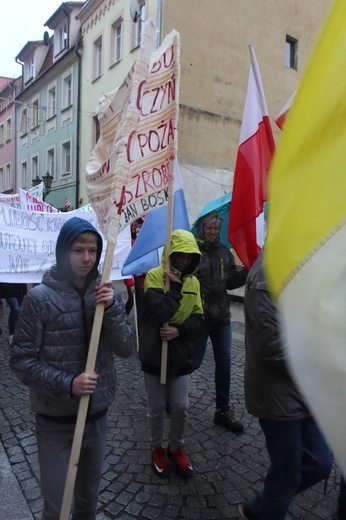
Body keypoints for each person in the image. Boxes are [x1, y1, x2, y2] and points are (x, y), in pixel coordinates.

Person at [10, 217, 136, 520]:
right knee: (56, 507)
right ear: (63, 252)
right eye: (78, 250)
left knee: (87, 504)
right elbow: (21, 362)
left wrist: (115, 309)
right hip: (54, 423)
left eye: (92, 250)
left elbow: (127, 348)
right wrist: (68, 384)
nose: (86, 258)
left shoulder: (105, 295)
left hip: (97, 418)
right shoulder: (39, 298)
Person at [239, 251, 333, 520]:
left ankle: (257, 507)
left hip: (302, 391)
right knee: (286, 476)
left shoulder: (297, 264)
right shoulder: (265, 274)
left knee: (320, 463)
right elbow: (272, 346)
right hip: (276, 393)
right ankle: (263, 508)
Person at [139, 229, 207, 478]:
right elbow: (160, 314)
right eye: (180, 256)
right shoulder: (154, 277)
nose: (185, 261)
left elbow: (199, 320)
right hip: (154, 354)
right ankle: (156, 447)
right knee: (156, 407)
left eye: (190, 257)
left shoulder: (195, 283)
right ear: (171, 255)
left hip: (179, 357)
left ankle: (176, 447)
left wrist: (179, 330)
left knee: (180, 406)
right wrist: (175, 289)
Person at [194, 211, 247, 433]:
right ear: (202, 229)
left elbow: (231, 281)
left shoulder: (224, 252)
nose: (213, 232)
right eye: (209, 228)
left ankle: (222, 410)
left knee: (224, 363)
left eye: (216, 229)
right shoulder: (193, 252)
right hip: (199, 316)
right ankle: (173, 398)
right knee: (191, 359)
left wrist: (248, 270)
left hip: (222, 317)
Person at [124, 217, 146, 331]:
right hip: (135, 280)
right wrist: (130, 284)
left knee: (142, 304)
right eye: (136, 230)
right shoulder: (130, 244)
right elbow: (127, 265)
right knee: (135, 302)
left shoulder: (146, 244)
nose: (138, 232)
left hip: (145, 280)